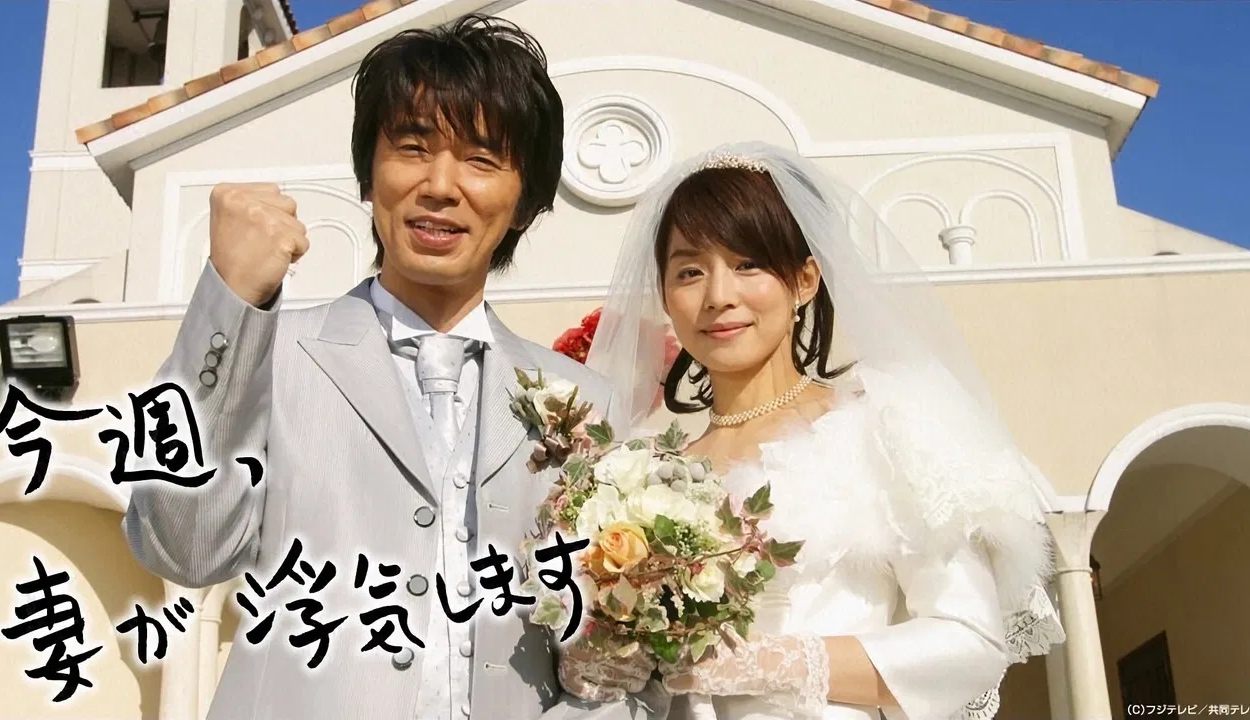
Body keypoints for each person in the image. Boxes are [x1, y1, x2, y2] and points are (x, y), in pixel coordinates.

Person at [122, 15, 651, 720]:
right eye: (412, 147)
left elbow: (615, 649)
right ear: (369, 175)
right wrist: (229, 301)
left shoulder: (584, 400)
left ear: (526, 202)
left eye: (482, 159)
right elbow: (182, 549)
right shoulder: (268, 351)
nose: (440, 185)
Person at [571, 141, 1066, 720]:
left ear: (805, 280)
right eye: (689, 272)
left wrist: (774, 662)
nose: (719, 296)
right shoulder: (647, 473)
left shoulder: (882, 429)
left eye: (748, 264)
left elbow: (968, 643)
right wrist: (606, 664)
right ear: (666, 295)